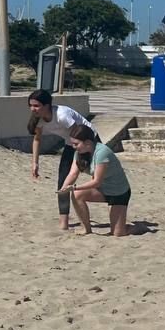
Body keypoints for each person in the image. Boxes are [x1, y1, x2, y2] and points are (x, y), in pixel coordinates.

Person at [28, 89, 98, 231]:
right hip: (70, 143)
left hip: (88, 141)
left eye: (36, 106)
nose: (32, 109)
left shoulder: (62, 115)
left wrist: (81, 158)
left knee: (97, 175)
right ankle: (64, 222)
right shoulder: (39, 119)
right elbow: (37, 139)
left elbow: (78, 134)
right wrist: (35, 163)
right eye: (31, 105)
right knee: (63, 181)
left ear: (47, 105)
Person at [57, 126, 131, 237]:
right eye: (72, 143)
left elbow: (97, 182)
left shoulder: (102, 152)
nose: (73, 147)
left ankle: (138, 228)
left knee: (118, 233)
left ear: (87, 142)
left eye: (76, 144)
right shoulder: (79, 153)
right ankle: (86, 229)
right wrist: (63, 188)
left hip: (118, 193)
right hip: (102, 191)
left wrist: (74, 187)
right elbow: (73, 174)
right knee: (76, 194)